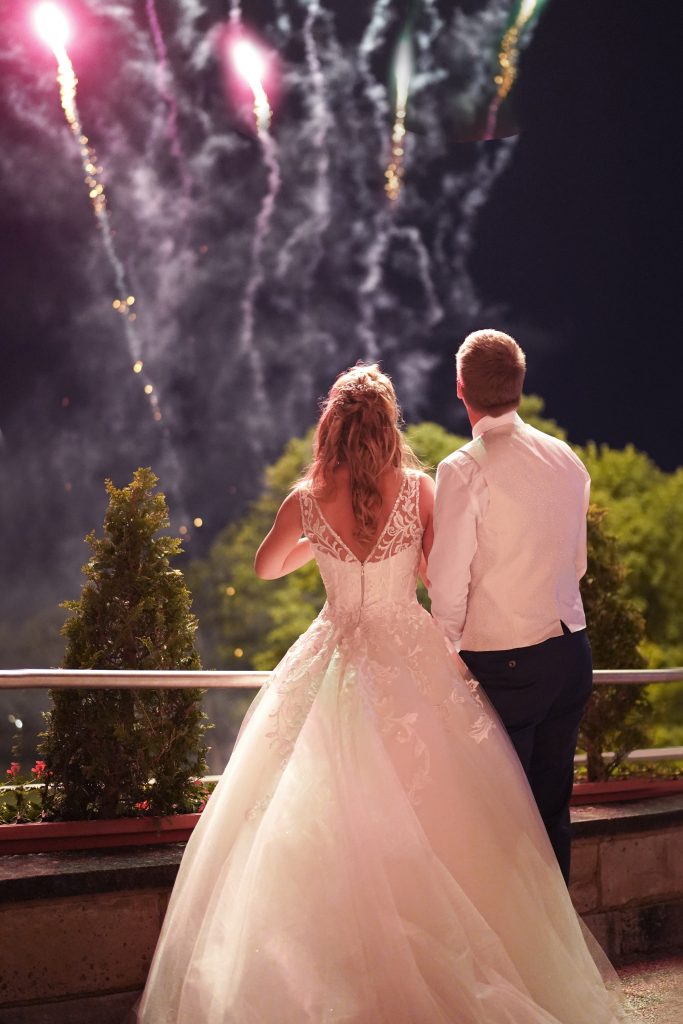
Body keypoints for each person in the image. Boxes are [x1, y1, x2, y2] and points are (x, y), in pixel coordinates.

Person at [137, 364, 631, 1024]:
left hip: (334, 652)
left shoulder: (306, 498)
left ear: (331, 425)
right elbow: (435, 573)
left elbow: (266, 566)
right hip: (409, 652)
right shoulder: (419, 490)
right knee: (445, 810)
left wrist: (322, 545)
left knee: (317, 811)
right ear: (388, 422)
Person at [428, 329, 593, 885]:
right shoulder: (566, 457)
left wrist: (442, 654)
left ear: (461, 388)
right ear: (520, 385)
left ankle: (507, 965)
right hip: (571, 654)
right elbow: (577, 565)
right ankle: (559, 959)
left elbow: (448, 586)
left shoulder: (462, 468)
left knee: (493, 822)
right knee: (551, 816)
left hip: (506, 665)